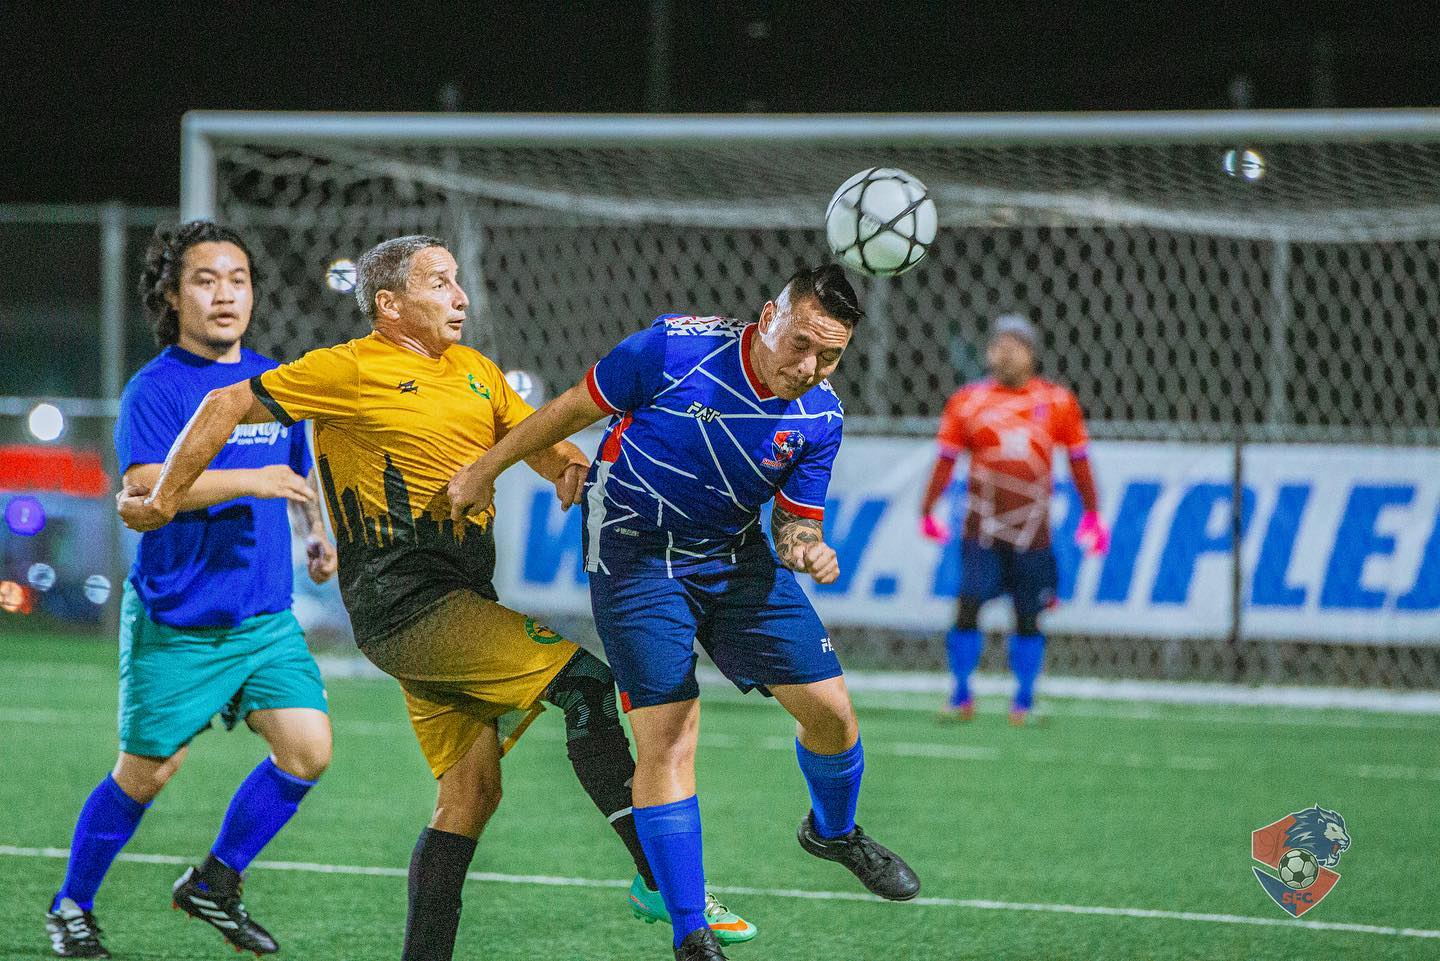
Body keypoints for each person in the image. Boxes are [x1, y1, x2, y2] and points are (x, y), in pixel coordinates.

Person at [118, 235, 753, 961]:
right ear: (390, 305)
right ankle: (658, 880)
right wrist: (165, 496)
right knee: (586, 684)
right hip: (404, 601)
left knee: (470, 795)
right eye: (441, 283)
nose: (460, 297)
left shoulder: (477, 372)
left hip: (454, 599)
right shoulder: (350, 367)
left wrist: (566, 465)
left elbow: (533, 437)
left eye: (458, 282)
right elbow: (226, 402)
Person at [448, 265, 921, 961]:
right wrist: (486, 468)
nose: (810, 366)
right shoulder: (672, 350)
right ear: (768, 317)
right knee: (668, 736)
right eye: (801, 343)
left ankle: (834, 830)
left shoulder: (820, 416)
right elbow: (572, 409)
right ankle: (690, 931)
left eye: (830, 355)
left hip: (732, 556)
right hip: (634, 559)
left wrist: (807, 549)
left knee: (832, 712)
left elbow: (794, 524)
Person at [47, 221, 338, 958]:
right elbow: (147, 485)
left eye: (238, 278)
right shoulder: (157, 387)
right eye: (205, 280)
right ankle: (70, 905)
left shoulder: (275, 380)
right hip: (179, 619)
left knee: (307, 750)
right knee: (147, 773)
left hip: (262, 617)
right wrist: (250, 478)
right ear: (173, 296)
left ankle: (215, 881)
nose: (225, 293)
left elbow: (302, 474)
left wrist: (315, 532)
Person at [919, 313, 1109, 724]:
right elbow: (945, 461)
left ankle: (1023, 700)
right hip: (980, 529)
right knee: (967, 606)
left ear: (1032, 354)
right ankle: (961, 694)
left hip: (1033, 534)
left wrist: (1093, 513)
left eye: (1015, 345)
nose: (1004, 352)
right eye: (998, 344)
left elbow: (1079, 462)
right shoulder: (967, 402)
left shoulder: (1057, 402)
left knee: (1028, 614)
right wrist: (926, 508)